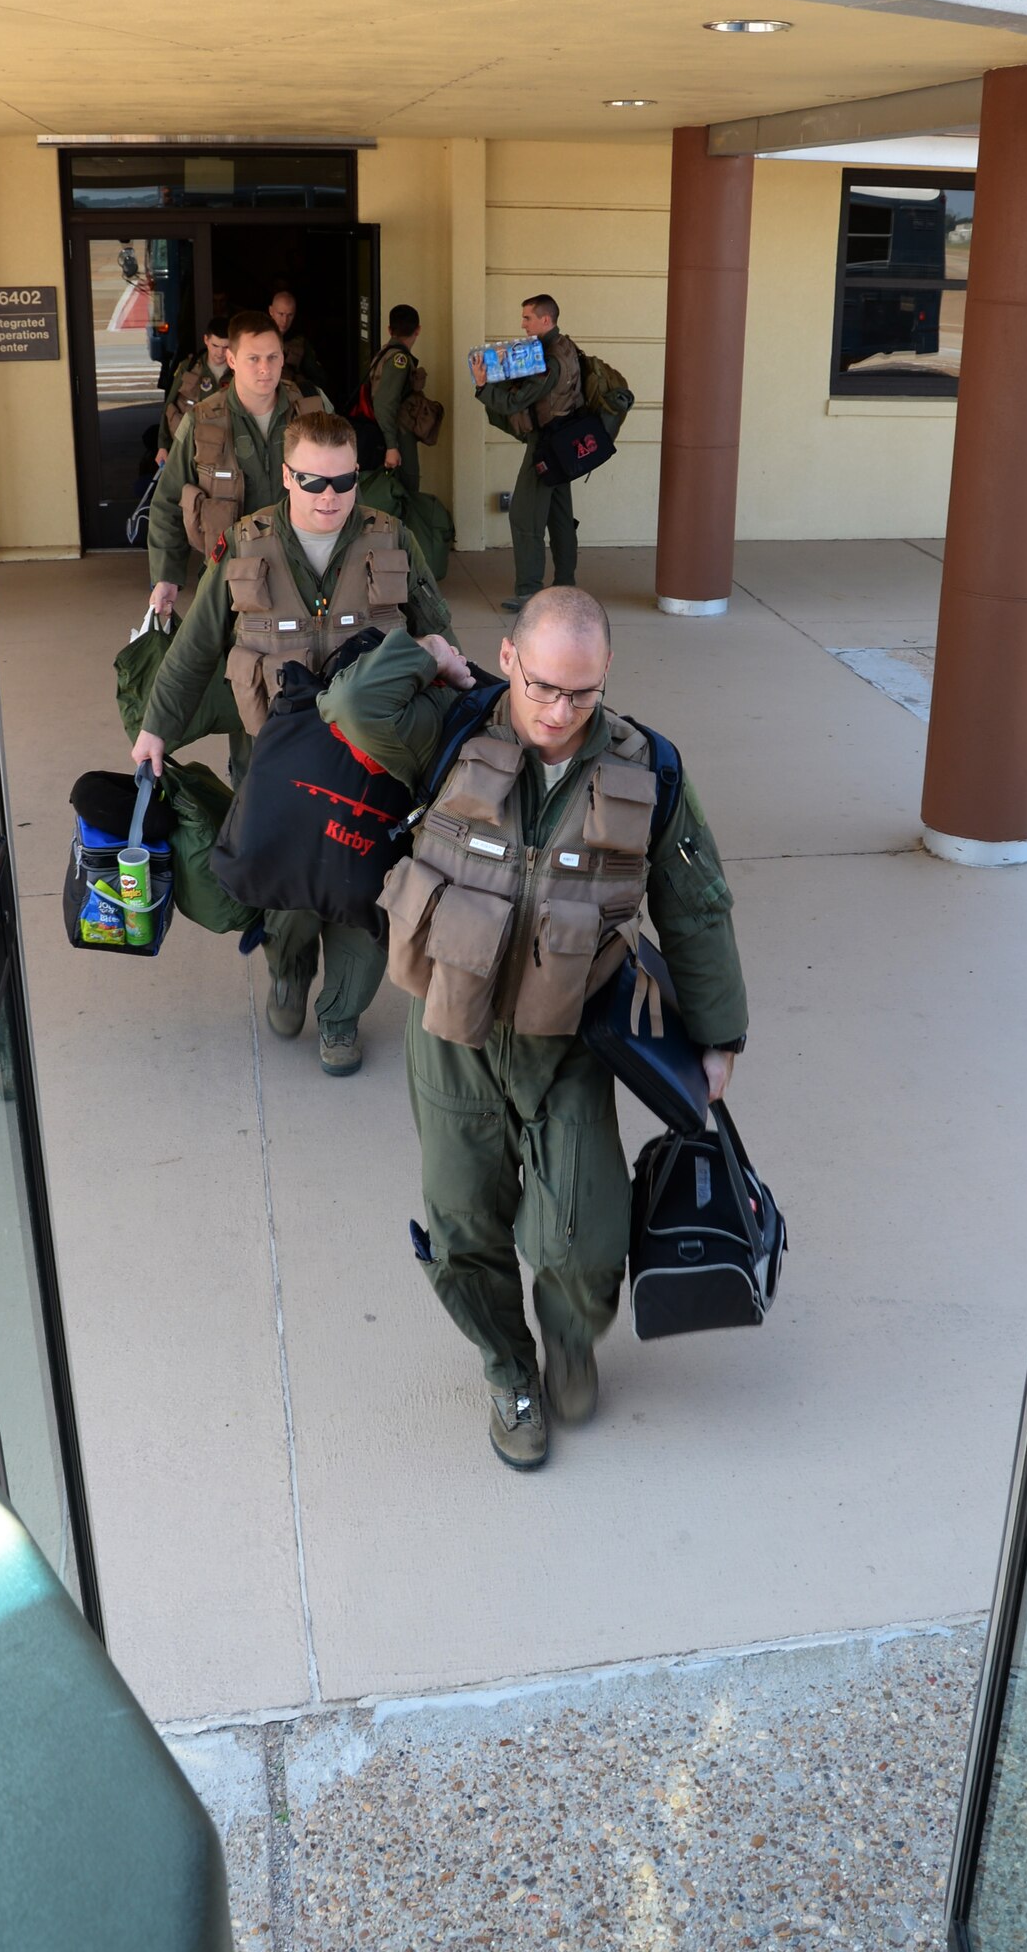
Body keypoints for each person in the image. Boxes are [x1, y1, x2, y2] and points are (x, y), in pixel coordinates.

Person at [322, 586, 748, 1469]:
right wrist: (430, 655)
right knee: (464, 1222)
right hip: (454, 1032)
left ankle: (571, 1339)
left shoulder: (650, 768)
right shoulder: (448, 727)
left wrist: (719, 1036)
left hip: (569, 1042)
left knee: (585, 1234)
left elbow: (696, 907)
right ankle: (507, 1367)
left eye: (581, 693)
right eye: (543, 685)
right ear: (509, 657)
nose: (559, 712)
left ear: (607, 677)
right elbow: (352, 702)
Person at [131, 413, 461, 1078]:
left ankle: (341, 1017)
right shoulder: (244, 545)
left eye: (344, 481)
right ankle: (287, 971)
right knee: (290, 887)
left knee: (364, 892)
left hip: (374, 765)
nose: (329, 495)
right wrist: (154, 728)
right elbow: (195, 651)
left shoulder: (392, 538)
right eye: (312, 480)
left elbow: (442, 640)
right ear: (287, 475)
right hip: (276, 761)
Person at [146, 309, 331, 619]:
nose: (265, 369)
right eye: (253, 359)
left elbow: (346, 486)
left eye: (273, 357)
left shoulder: (313, 410)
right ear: (231, 360)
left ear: (283, 358)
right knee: (229, 662)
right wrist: (167, 576)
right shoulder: (202, 421)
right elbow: (167, 502)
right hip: (228, 574)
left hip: (306, 569)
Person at [473, 294, 582, 615]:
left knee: (524, 516)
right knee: (559, 515)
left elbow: (513, 403)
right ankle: (565, 583)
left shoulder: (547, 358)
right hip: (565, 440)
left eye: (528, 318)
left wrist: (483, 386)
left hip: (546, 445)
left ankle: (529, 591)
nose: (522, 324)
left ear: (545, 320)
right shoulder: (565, 346)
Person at [367, 304, 426, 497]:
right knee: (406, 490)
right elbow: (385, 404)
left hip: (390, 432)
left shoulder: (386, 353)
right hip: (397, 434)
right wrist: (392, 446)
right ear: (418, 330)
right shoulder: (398, 359)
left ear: (390, 330)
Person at [156, 318, 231, 464]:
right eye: (215, 345)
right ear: (206, 340)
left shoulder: (239, 372)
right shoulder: (189, 367)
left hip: (224, 449)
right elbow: (169, 405)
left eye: (226, 347)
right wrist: (163, 446)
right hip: (188, 446)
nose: (220, 353)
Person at [268, 289, 327, 395]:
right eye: (281, 314)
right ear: (271, 311)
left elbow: (318, 377)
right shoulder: (257, 338)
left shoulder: (300, 342)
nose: (285, 320)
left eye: (290, 315)